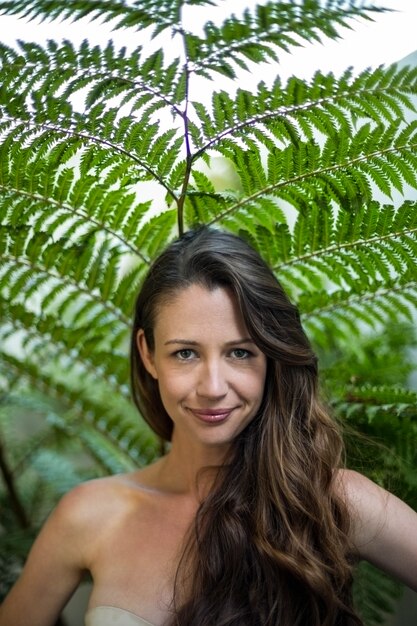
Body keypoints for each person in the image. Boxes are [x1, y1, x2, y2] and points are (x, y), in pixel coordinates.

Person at [0, 226, 416, 626]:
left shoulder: (329, 502)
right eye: (185, 354)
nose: (213, 388)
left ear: (271, 356)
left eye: (239, 353)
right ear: (147, 354)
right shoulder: (88, 514)